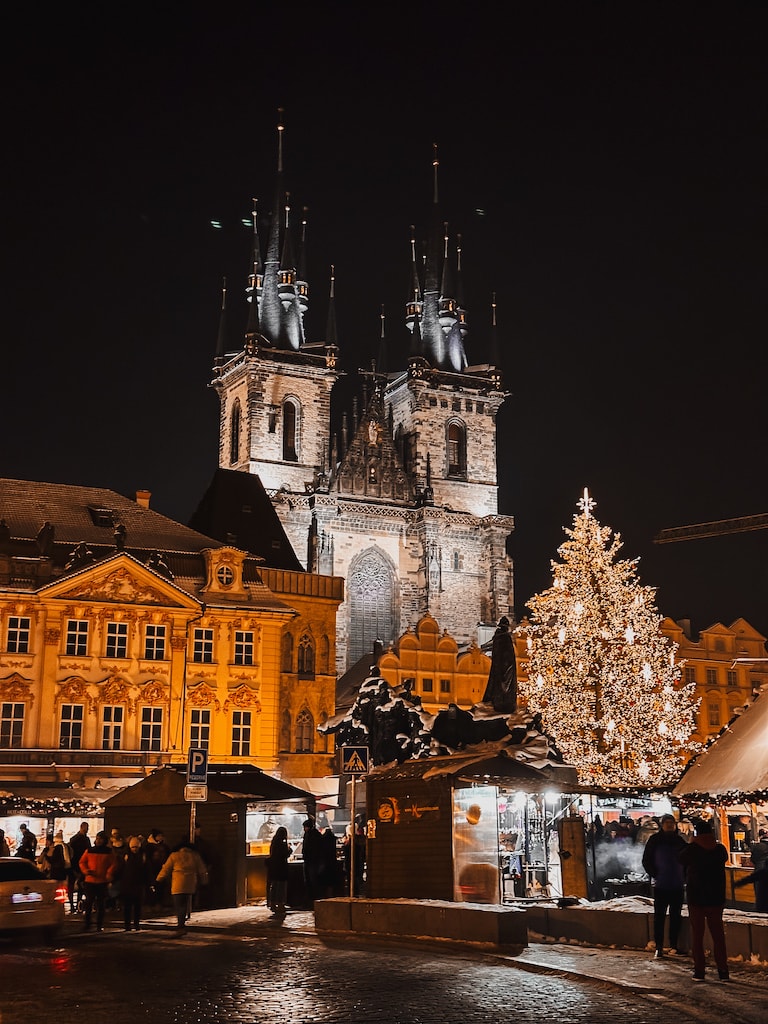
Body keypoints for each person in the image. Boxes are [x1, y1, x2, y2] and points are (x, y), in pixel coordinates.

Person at [678, 818, 729, 981]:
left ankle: (699, 971)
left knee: (697, 937)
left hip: (697, 899)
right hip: (716, 898)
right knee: (718, 936)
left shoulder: (691, 849)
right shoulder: (720, 849)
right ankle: (723, 971)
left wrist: (692, 841)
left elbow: (680, 859)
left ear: (696, 833)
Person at [642, 813, 687, 957]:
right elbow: (646, 860)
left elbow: (687, 860)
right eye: (667, 823)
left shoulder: (680, 841)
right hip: (661, 885)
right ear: (662, 824)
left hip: (677, 885)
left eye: (671, 823)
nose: (669, 825)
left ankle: (674, 945)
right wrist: (656, 874)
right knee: (659, 917)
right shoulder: (655, 840)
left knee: (676, 916)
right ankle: (659, 946)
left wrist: (683, 876)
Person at [155, 839, 208, 936]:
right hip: (190, 884)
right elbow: (202, 870)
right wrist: (204, 881)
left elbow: (166, 869)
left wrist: (158, 879)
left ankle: (181, 927)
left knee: (179, 906)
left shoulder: (174, 856)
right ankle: (182, 925)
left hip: (177, 884)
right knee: (185, 904)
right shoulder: (195, 856)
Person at [79, 830, 117, 932]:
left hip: (101, 881)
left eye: (100, 839)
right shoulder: (90, 850)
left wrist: (108, 873)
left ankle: (99, 924)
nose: (98, 840)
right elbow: (82, 862)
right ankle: (88, 923)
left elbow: (113, 864)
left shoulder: (108, 852)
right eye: (97, 838)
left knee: (100, 904)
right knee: (89, 903)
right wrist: (86, 871)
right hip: (90, 880)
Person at [482, 615, 517, 713]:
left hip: (499, 667)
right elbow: (508, 655)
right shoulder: (504, 637)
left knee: (498, 685)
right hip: (505, 667)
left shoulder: (498, 638)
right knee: (504, 688)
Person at [114, 835, 149, 931]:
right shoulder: (126, 856)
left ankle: (136, 924)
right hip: (128, 885)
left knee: (137, 907)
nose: (135, 849)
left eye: (136, 847)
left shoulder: (142, 856)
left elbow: (146, 871)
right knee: (128, 907)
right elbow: (120, 870)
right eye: (133, 847)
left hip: (137, 884)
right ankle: (128, 925)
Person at [300, 818, 324, 908]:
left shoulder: (310, 835)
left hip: (311, 862)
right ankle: (312, 900)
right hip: (312, 861)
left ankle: (312, 900)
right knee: (312, 881)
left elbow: (308, 849)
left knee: (311, 881)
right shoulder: (315, 834)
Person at [267, 826, 291, 917]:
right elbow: (284, 854)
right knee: (281, 887)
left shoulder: (274, 842)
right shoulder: (282, 843)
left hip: (274, 868)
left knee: (274, 886)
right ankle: (281, 904)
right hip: (281, 868)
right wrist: (290, 850)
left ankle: (273, 903)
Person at [68, 821, 91, 913]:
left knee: (73, 885)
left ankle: (73, 904)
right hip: (80, 865)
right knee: (80, 885)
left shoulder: (74, 839)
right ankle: (78, 903)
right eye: (86, 828)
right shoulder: (84, 839)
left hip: (75, 865)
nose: (87, 830)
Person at [146, 828, 171, 908]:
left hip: (162, 869)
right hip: (152, 870)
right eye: (159, 836)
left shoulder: (165, 846)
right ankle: (151, 904)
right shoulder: (149, 847)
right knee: (152, 887)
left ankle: (160, 903)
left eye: (161, 836)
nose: (161, 837)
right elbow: (147, 859)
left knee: (161, 887)